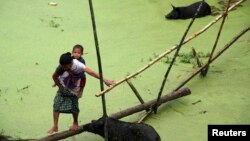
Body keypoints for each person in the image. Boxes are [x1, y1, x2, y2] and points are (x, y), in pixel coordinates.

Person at [48, 52, 115, 134]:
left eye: (67, 66)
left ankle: (75, 122)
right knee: (56, 104)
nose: (65, 68)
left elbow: (92, 73)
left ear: (71, 63)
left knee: (74, 107)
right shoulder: (61, 67)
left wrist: (105, 80)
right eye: (63, 67)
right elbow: (54, 76)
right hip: (63, 86)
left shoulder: (78, 65)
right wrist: (59, 86)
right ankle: (55, 126)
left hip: (74, 88)